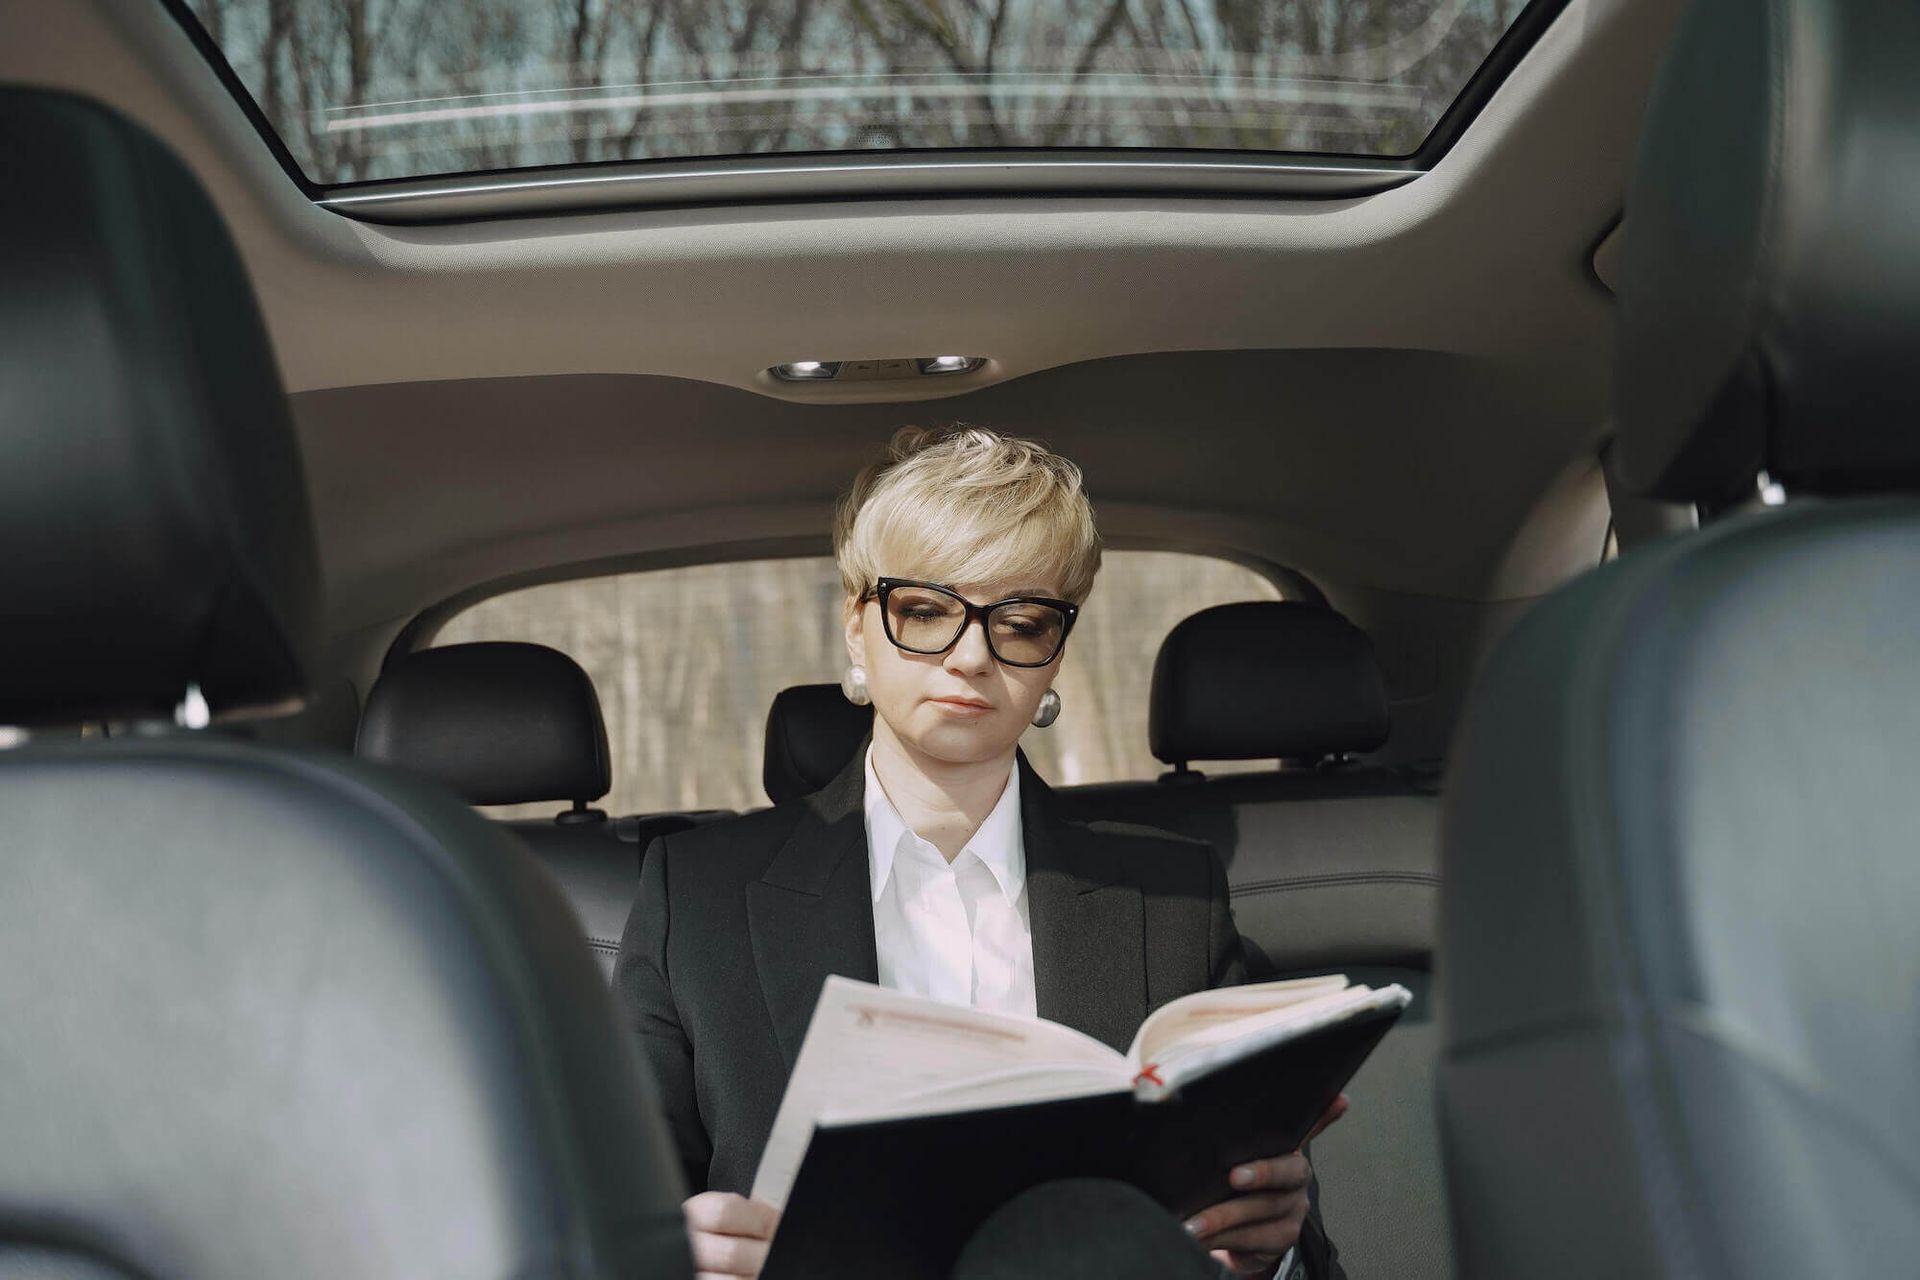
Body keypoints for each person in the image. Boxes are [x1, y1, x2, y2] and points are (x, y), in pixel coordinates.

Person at [615, 426, 1345, 1279]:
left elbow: (1296, 1246)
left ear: (1055, 655)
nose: (970, 656)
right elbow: (610, 1220)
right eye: (924, 610)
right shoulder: (697, 897)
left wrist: (1270, 1254)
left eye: (1022, 622)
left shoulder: (1174, 901)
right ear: (857, 627)